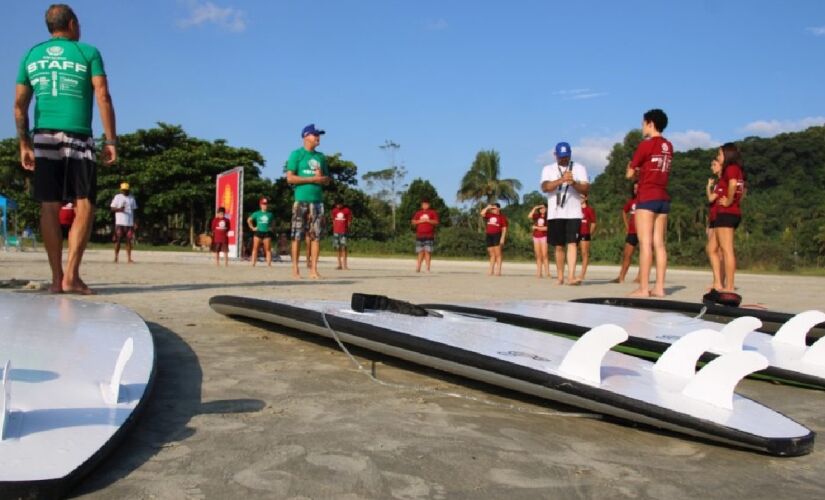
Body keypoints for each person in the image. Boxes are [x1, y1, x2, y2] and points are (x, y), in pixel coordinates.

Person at [14, 4, 117, 293]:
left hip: (43, 136)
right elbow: (103, 95)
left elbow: (19, 106)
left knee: (49, 205)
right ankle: (72, 275)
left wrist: (24, 143)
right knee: (84, 202)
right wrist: (110, 141)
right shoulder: (87, 52)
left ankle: (56, 279)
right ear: (72, 24)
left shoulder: (31, 55)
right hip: (78, 134)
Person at [626, 109, 673, 298]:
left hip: (647, 197)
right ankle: (659, 287)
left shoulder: (646, 145)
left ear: (650, 123)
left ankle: (644, 288)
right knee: (659, 244)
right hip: (663, 197)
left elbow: (630, 173)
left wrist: (633, 172)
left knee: (645, 244)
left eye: (643, 123)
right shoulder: (668, 146)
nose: (642, 127)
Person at [540, 142, 590, 285]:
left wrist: (573, 182)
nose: (564, 159)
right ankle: (560, 276)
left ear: (570, 154)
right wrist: (561, 180)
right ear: (555, 155)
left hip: (574, 213)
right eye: (561, 156)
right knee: (559, 246)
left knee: (572, 243)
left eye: (566, 156)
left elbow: (586, 188)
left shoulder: (579, 168)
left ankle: (571, 276)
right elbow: (545, 187)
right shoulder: (548, 169)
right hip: (555, 213)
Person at [286, 124, 330, 279]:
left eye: (319, 135)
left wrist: (322, 177)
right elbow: (290, 178)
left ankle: (314, 269)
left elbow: (327, 180)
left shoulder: (321, 157)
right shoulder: (296, 154)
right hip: (301, 200)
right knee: (297, 235)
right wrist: (312, 179)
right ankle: (295, 269)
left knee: (316, 236)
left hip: (317, 201)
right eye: (315, 134)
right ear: (306, 136)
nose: (318, 137)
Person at [714, 143, 746, 293]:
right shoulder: (738, 170)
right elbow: (742, 190)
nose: (718, 157)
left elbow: (733, 185)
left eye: (719, 154)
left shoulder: (731, 168)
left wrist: (728, 201)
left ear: (727, 155)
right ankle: (722, 283)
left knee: (727, 250)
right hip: (733, 212)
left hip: (727, 213)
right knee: (720, 249)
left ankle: (730, 286)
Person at [612, 183, 639, 284]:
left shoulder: (646, 201)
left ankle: (640, 277)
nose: (636, 190)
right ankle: (621, 277)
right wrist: (627, 225)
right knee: (627, 254)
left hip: (643, 232)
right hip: (632, 232)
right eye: (634, 188)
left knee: (644, 255)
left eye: (638, 188)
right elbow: (624, 211)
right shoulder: (631, 202)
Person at [705, 158, 726, 291]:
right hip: (713, 218)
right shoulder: (719, 182)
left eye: (714, 164)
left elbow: (711, 198)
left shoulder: (723, 181)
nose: (712, 167)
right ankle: (717, 281)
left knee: (718, 251)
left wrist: (708, 187)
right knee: (715, 251)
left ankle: (720, 282)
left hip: (719, 218)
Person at [111, 182, 138, 264]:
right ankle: (116, 258)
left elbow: (134, 211)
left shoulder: (132, 198)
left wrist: (135, 222)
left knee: (129, 241)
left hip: (129, 223)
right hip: (120, 222)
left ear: (128, 190)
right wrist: (119, 209)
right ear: (121, 190)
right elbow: (112, 208)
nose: (125, 191)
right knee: (118, 240)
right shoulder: (117, 197)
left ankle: (129, 258)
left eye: (126, 190)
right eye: (123, 190)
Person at [411, 199, 439, 273]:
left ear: (429, 205)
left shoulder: (432, 212)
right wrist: (421, 221)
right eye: (423, 204)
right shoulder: (418, 213)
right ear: (421, 205)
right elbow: (413, 222)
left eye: (426, 204)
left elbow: (436, 222)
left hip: (429, 235)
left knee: (427, 251)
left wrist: (427, 220)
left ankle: (427, 268)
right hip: (419, 235)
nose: (425, 205)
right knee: (420, 252)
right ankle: (418, 268)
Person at [481, 203, 508, 276]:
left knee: (498, 254)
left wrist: (502, 238)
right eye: (492, 209)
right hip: (489, 235)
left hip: (497, 235)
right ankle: (491, 270)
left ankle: (498, 270)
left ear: (499, 209)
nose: (493, 210)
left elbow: (504, 228)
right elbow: (482, 213)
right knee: (491, 254)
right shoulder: (490, 215)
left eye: (494, 208)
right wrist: (488, 207)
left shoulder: (502, 217)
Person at [247, 197, 273, 267]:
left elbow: (273, 223)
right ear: (260, 205)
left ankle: (269, 264)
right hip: (258, 232)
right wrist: (252, 227)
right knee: (255, 248)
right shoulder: (257, 213)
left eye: (266, 204)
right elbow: (249, 220)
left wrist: (271, 228)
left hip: (267, 233)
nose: (265, 205)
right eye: (263, 204)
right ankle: (253, 264)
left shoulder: (270, 214)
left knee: (268, 249)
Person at [577, 194, 597, 281]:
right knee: (574, 252)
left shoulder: (589, 209)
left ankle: (582, 274)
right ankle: (572, 273)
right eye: (579, 197)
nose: (580, 199)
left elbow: (593, 222)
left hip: (585, 233)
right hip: (576, 233)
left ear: (586, 198)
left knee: (584, 253)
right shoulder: (576, 209)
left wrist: (589, 233)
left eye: (582, 197)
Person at [528, 204, 550, 278]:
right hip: (536, 237)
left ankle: (547, 273)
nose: (542, 209)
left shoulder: (548, 217)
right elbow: (529, 216)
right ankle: (539, 272)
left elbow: (547, 228)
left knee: (545, 255)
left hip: (544, 237)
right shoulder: (537, 216)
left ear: (546, 209)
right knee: (538, 255)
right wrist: (535, 208)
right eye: (540, 208)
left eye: (543, 208)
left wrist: (536, 227)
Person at [331, 200, 353, 270]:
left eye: (339, 204)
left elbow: (349, 221)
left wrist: (348, 229)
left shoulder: (347, 210)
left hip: (343, 231)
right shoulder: (334, 211)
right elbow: (333, 220)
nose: (338, 205)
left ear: (342, 204)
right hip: (336, 231)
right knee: (337, 248)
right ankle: (339, 264)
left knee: (344, 247)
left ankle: (345, 265)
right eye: (337, 204)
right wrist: (334, 229)